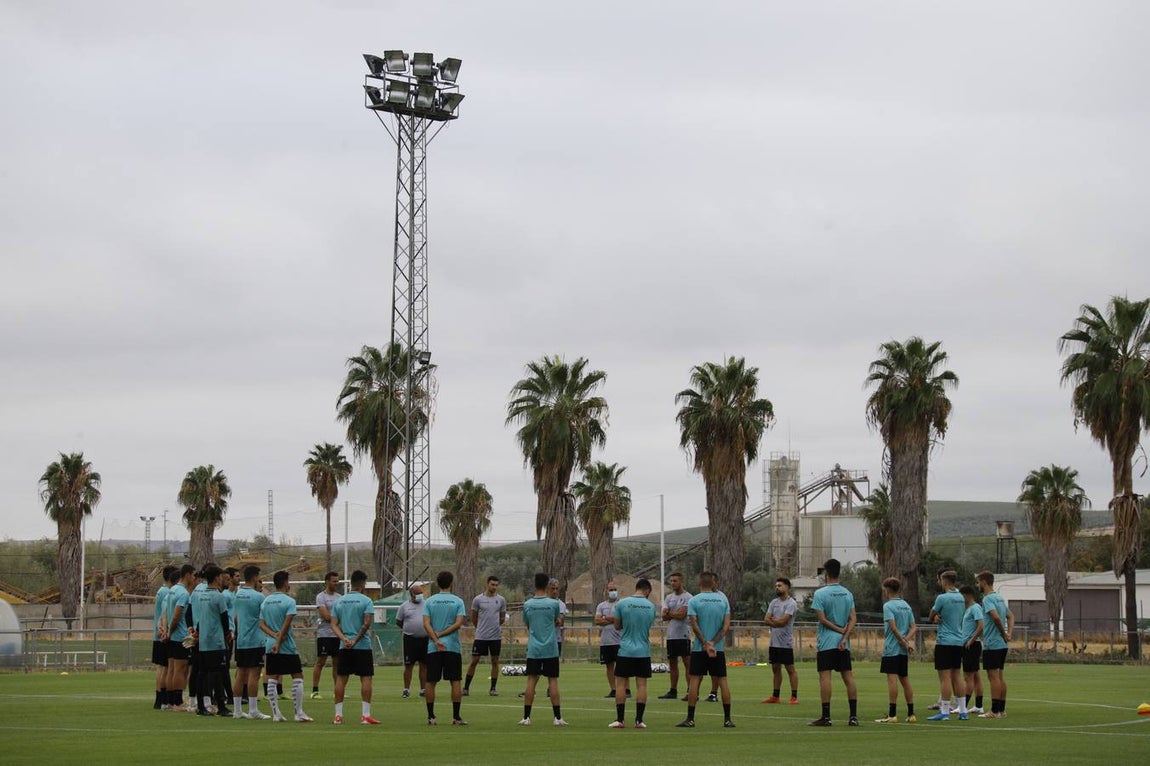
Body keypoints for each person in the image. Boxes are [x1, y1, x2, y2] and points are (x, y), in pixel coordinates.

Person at [676, 571, 734, 729]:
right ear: (713, 583)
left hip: (699, 649)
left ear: (699, 583)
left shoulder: (694, 600)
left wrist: (704, 643)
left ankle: (690, 718)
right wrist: (713, 643)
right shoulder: (723, 600)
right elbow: (726, 626)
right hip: (718, 649)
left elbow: (694, 623)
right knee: (722, 681)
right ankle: (727, 719)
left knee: (695, 680)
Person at [808, 558, 858, 727]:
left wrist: (838, 631)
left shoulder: (820, 594)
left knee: (825, 677)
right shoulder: (848, 593)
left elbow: (822, 619)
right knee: (848, 677)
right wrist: (844, 636)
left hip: (827, 641)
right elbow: (853, 618)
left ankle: (826, 717)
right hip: (844, 643)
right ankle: (853, 717)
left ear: (826, 574)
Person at [259, 570, 313, 722]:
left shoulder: (266, 601)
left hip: (270, 643)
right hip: (286, 645)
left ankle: (276, 714)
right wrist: (278, 639)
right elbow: (286, 624)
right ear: (285, 583)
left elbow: (261, 624)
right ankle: (298, 712)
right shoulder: (289, 601)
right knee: (297, 676)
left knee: (272, 677)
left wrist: (273, 636)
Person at [518, 572, 567, 727]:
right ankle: (557, 717)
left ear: (534, 584)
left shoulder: (527, 605)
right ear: (547, 585)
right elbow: (557, 621)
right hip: (550, 648)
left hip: (534, 648)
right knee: (552, 680)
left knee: (531, 680)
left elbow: (527, 624)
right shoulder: (553, 604)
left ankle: (526, 717)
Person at [330, 570, 379, 725]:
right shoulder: (366, 601)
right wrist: (356, 640)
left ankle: (338, 716)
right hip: (362, 646)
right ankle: (365, 715)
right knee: (366, 678)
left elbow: (333, 624)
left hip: (344, 646)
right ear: (363, 583)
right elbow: (366, 624)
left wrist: (345, 639)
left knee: (341, 678)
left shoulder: (339, 601)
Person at [422, 570, 468, 726]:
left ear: (437, 583)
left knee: (431, 681)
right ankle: (456, 717)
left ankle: (431, 716)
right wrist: (442, 634)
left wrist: (435, 638)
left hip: (434, 647)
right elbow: (458, 623)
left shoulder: (429, 601)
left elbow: (426, 623)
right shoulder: (457, 601)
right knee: (455, 681)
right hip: (452, 647)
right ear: (451, 583)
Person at [611, 578, 658, 729]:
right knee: (642, 685)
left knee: (620, 684)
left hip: (625, 649)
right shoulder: (651, 606)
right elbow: (648, 625)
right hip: (643, 650)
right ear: (647, 591)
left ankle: (620, 720)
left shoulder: (622, 603)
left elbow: (617, 625)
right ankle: (639, 720)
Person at [927, 570, 968, 721]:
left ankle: (945, 711)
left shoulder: (942, 598)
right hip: (958, 641)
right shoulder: (961, 598)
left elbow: (931, 616)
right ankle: (963, 711)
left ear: (945, 581)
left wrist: (936, 617)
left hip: (945, 641)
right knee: (957, 675)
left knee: (945, 678)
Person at [191, 565, 232, 716]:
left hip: (203, 642)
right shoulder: (218, 596)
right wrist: (228, 635)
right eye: (221, 576)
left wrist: (197, 634)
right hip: (216, 640)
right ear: (216, 578)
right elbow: (224, 619)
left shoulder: (202, 595)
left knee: (202, 673)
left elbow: (200, 619)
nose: (222, 579)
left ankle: (201, 706)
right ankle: (221, 706)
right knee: (218, 673)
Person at [876, 577, 916, 724]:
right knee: (905, 680)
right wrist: (907, 641)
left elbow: (892, 627)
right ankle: (911, 714)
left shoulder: (888, 606)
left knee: (892, 680)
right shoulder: (906, 605)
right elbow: (914, 627)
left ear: (887, 590)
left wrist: (902, 640)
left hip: (892, 649)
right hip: (903, 650)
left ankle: (892, 714)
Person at [232, 564, 270, 720]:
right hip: (255, 640)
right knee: (254, 675)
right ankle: (253, 709)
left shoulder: (238, 595)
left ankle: (237, 710)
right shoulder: (259, 597)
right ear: (255, 577)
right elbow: (264, 618)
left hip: (241, 641)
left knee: (240, 674)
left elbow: (235, 617)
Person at [977, 570, 1014, 719]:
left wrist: (1003, 633)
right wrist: (1009, 633)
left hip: (992, 643)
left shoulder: (987, 599)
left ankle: (993, 710)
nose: (978, 585)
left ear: (984, 582)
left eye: (978, 582)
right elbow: (1010, 616)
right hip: (1002, 645)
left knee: (993, 677)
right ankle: (1001, 710)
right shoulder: (999, 598)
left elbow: (996, 618)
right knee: (1000, 676)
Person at [464, 575, 507, 697]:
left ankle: (493, 688)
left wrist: (495, 627)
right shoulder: (478, 599)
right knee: (474, 661)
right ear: (487, 584)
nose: (494, 587)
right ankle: (466, 688)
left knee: (495, 661)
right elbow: (474, 617)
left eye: (496, 585)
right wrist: (481, 628)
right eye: (492, 584)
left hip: (495, 637)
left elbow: (502, 617)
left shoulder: (501, 600)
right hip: (481, 636)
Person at [164, 564, 196, 713]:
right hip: (181, 636)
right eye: (193, 575)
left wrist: (166, 631)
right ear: (188, 575)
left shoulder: (172, 590)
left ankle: (170, 701)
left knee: (172, 669)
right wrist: (170, 631)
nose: (194, 578)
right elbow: (177, 615)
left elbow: (166, 612)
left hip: (172, 636)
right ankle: (178, 702)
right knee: (180, 669)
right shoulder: (183, 593)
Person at [762, 576, 798, 705]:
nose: (777, 588)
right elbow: (766, 619)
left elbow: (784, 621)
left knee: (790, 669)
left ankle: (794, 696)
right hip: (774, 643)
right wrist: (775, 622)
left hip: (785, 643)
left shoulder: (791, 603)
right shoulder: (773, 602)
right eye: (776, 586)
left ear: (787, 587)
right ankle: (775, 696)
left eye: (780, 585)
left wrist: (774, 621)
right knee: (776, 669)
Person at [659, 572, 692, 700]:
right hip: (671, 635)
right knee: (672, 663)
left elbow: (682, 615)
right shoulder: (668, 598)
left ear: (681, 582)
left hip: (683, 635)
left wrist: (670, 614)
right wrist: (673, 613)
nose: (673, 583)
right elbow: (664, 616)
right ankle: (673, 690)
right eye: (671, 581)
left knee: (687, 663)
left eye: (675, 581)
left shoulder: (688, 597)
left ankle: (690, 691)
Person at [395, 583, 429, 698]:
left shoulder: (427, 605)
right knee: (409, 665)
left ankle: (423, 689)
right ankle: (406, 689)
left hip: (424, 639)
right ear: (412, 594)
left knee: (424, 665)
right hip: (410, 640)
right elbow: (399, 622)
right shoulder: (404, 606)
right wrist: (409, 629)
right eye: (418, 593)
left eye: (421, 593)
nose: (420, 595)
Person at [311, 571, 341, 699]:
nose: (336, 583)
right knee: (320, 662)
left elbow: (342, 614)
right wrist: (336, 620)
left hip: (336, 635)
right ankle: (315, 690)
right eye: (334, 581)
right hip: (324, 634)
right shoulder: (321, 597)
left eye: (337, 581)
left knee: (337, 663)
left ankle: (337, 690)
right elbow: (326, 615)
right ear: (327, 582)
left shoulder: (340, 597)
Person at [595, 581, 627, 698]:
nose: (613, 592)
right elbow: (597, 621)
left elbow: (622, 619)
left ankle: (625, 689)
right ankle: (613, 689)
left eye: (614, 589)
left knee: (622, 666)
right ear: (606, 591)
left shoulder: (622, 604)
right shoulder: (601, 605)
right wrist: (613, 619)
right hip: (606, 641)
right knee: (609, 666)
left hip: (620, 641)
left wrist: (606, 618)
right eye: (610, 590)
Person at [152, 565, 176, 709]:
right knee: (166, 668)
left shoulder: (161, 591)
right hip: (163, 634)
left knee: (162, 668)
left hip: (158, 633)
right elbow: (165, 614)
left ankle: (159, 699)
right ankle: (163, 698)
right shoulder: (168, 592)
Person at [960, 584, 985, 716]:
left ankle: (963, 706)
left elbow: (981, 625)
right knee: (975, 676)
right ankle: (978, 705)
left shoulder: (975, 607)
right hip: (969, 644)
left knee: (968, 677)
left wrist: (971, 639)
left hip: (971, 645)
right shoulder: (968, 608)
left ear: (966, 595)